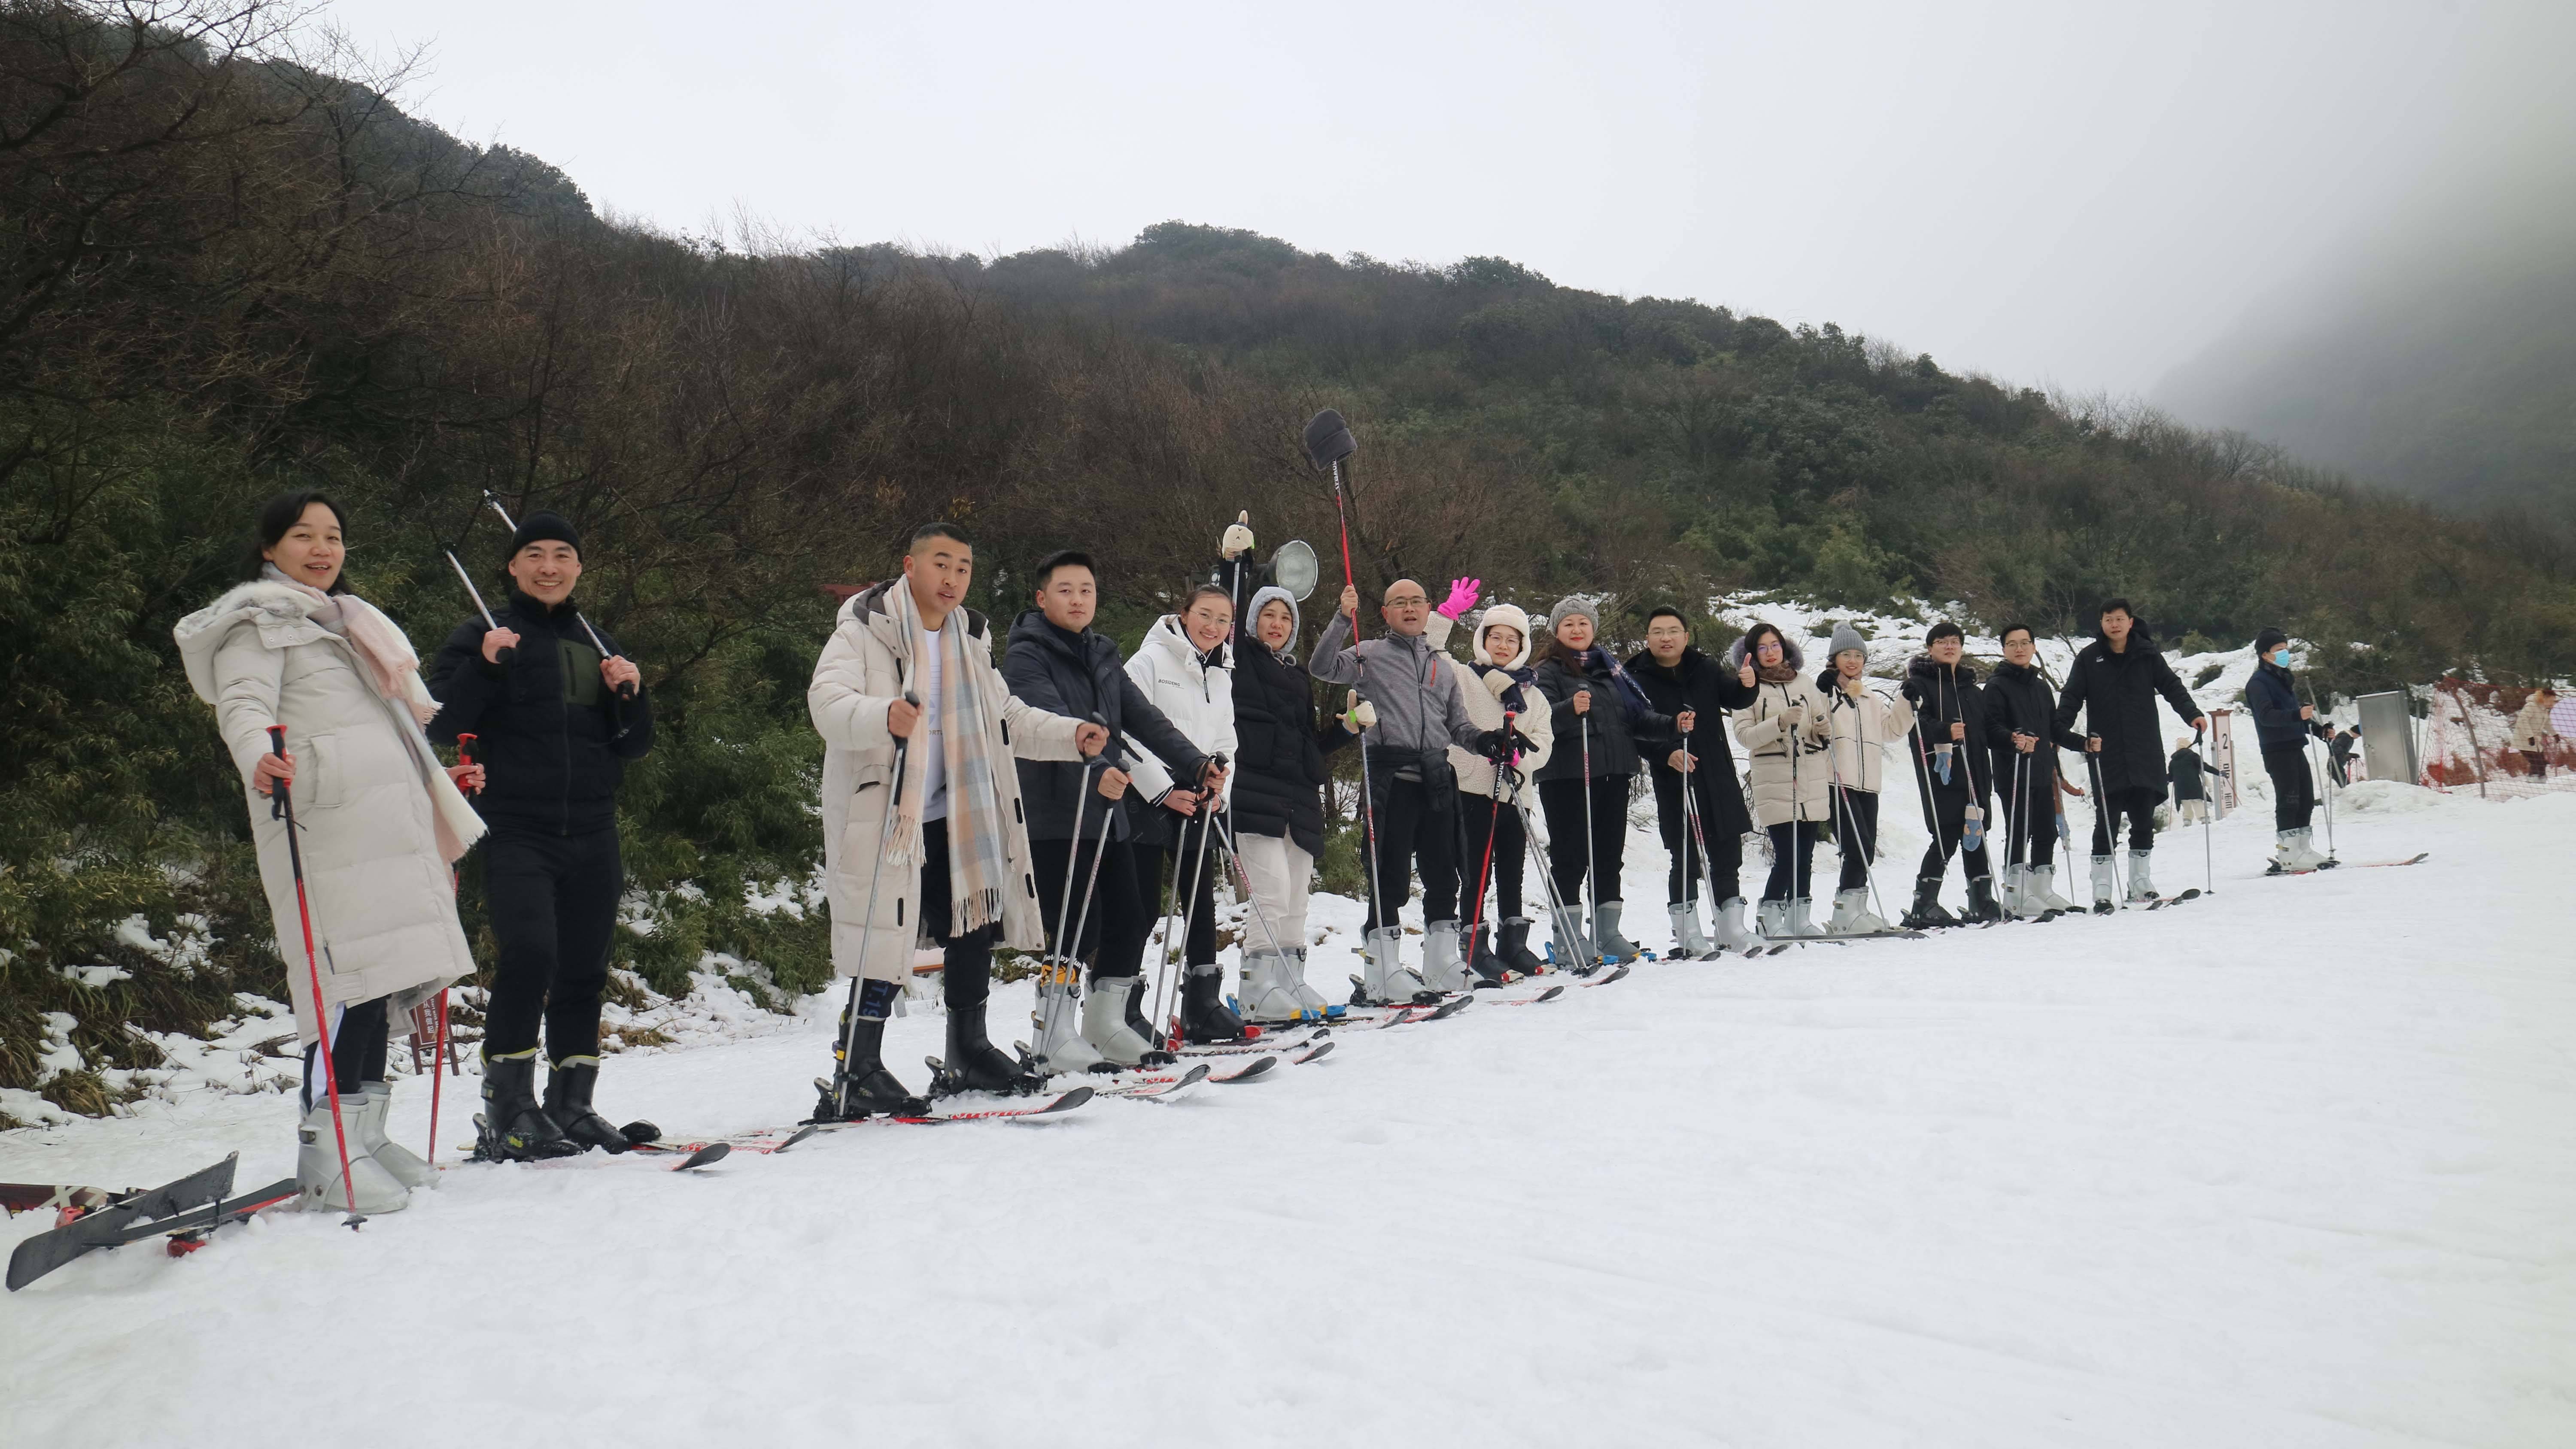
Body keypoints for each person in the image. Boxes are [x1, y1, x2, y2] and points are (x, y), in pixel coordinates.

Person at [174, 491, 484, 1213]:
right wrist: (257, 755)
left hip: (382, 830)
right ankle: (327, 1152)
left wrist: (435, 775)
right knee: (340, 985)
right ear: (268, 550)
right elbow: (243, 705)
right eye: (303, 536)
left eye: (334, 536)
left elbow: (386, 725)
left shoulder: (344, 624)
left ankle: (365, 1136)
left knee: (381, 979)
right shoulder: (261, 625)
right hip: (326, 826)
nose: (322, 548)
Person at [808, 524, 1108, 1113]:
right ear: (910, 566)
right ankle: (859, 1064)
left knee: (973, 929)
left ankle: (967, 1050)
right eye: (941, 564)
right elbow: (826, 701)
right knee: (883, 940)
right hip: (890, 814)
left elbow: (1010, 718)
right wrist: (880, 715)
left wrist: (1071, 735)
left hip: (958, 811)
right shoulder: (865, 628)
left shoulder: (969, 639)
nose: (952, 579)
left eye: (964, 568)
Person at [425, 510, 655, 1159]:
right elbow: (440, 723)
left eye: (562, 555)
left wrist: (633, 695)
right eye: (535, 555)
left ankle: (571, 1104)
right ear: (513, 567)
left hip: (593, 826)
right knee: (530, 955)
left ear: (579, 568)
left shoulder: (597, 641)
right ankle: (507, 1111)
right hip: (516, 826)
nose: (549, 567)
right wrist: (489, 668)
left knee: (585, 967)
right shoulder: (483, 633)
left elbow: (633, 747)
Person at [1002, 550, 1221, 1069]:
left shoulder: (1102, 652)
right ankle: (1053, 1032)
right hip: (1056, 808)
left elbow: (1144, 719)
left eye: (1087, 590)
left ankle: (1106, 1025)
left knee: (1132, 915)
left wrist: (1195, 765)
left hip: (1110, 811)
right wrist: (1097, 767)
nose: (1078, 600)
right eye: (1066, 590)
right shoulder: (1026, 656)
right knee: (1078, 922)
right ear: (1041, 598)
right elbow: (1050, 720)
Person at [1311, 578, 1517, 1000]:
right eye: (1398, 603)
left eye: (1417, 602)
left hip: (1437, 780)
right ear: (1385, 613)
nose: (1409, 608)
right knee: (1389, 876)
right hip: (1392, 780)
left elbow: (1458, 726)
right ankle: (1381, 971)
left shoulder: (1440, 664)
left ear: (1427, 610)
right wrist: (1340, 616)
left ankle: (1441, 964)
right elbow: (1323, 666)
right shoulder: (1370, 654)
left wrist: (1487, 742)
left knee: (1445, 875)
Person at [1212, 528, 1354, 1023]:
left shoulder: (1296, 675)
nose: (1276, 623)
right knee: (1269, 895)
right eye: (1267, 615)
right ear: (1253, 622)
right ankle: (1256, 992)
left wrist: (1346, 730)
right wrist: (1236, 563)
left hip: (1298, 800)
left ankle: (1290, 983)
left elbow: (1309, 745)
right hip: (1254, 795)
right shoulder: (1240, 660)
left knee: (1295, 900)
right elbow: (1226, 611)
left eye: (1285, 617)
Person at [1123, 583, 1248, 1044]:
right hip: (1148, 799)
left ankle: (1202, 1005)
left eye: (1223, 620)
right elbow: (1126, 730)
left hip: (1200, 799)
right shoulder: (1150, 660)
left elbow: (1226, 740)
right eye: (1205, 615)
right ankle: (1121, 1008)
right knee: (1141, 909)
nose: (1213, 627)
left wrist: (1221, 789)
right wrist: (1161, 789)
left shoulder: (1221, 672)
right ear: (1184, 613)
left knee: (1200, 906)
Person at [1531, 597, 1680, 966]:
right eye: (1569, 625)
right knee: (1571, 857)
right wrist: (1570, 709)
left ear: (1594, 629)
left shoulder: (1611, 672)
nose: (1577, 630)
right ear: (1557, 631)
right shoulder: (1546, 672)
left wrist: (1672, 724)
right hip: (1568, 776)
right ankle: (1568, 936)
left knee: (1607, 857)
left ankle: (1606, 931)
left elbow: (1637, 717)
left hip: (1614, 774)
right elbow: (1538, 719)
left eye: (1583, 623)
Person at [1425, 594, 1557, 983]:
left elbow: (1544, 743)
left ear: (1522, 646)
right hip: (1470, 787)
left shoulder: (1534, 694)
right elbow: (1431, 653)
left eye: (1511, 640)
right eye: (1495, 637)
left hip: (1515, 793)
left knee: (1512, 869)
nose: (1502, 645)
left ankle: (1512, 942)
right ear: (1483, 639)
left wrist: (1522, 761)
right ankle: (1473, 941)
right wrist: (1444, 616)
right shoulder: (1464, 676)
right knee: (1474, 869)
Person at [2052, 600, 2209, 908]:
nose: (2115, 624)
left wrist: (2192, 714)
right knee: (2106, 820)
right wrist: (2059, 730)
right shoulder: (2089, 658)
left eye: (2120, 619)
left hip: (2143, 747)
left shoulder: (2147, 654)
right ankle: (2101, 886)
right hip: (2106, 750)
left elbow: (2172, 686)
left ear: (2130, 622)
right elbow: (2071, 697)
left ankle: (2140, 882)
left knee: (2143, 816)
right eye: (2109, 619)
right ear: (2102, 623)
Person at [1628, 606, 1759, 955]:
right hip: (1675, 777)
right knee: (1685, 855)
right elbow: (1633, 731)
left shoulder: (1704, 667)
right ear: (1648, 638)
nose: (1666, 638)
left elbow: (1735, 696)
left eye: (1674, 631)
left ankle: (1732, 928)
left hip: (1716, 771)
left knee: (1728, 850)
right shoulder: (1634, 676)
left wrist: (1748, 684)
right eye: (1658, 631)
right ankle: (1688, 933)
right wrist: (1665, 754)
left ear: (1686, 637)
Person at [1729, 621, 1831, 938]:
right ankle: (1769, 912)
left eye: (1775, 646)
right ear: (1752, 653)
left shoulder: (1805, 682)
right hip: (1774, 779)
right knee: (1788, 854)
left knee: (1806, 854)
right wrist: (1779, 722)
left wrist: (1823, 731)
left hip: (1811, 777)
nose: (1770, 653)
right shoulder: (1747, 686)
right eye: (1762, 648)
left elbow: (1819, 722)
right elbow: (1745, 736)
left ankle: (1799, 916)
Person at [1899, 622, 2001, 926]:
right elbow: (1917, 727)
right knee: (1946, 835)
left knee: (1976, 833)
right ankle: (1925, 903)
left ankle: (1981, 899)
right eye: (1941, 641)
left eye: (1955, 641)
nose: (1949, 646)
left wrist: (2011, 739)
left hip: (1977, 771)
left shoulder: (1972, 690)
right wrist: (1945, 731)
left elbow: (1988, 731)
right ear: (1930, 649)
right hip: (1942, 774)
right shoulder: (1919, 685)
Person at [1814, 622, 1910, 934]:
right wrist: (1823, 691)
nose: (1853, 661)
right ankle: (1845, 912)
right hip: (1836, 781)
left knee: (1866, 850)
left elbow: (1892, 731)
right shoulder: (1825, 689)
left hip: (1868, 784)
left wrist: (1907, 700)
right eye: (1846, 655)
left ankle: (1855, 908)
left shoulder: (1869, 698)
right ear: (1834, 658)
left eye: (1858, 655)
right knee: (1856, 847)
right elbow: (1813, 722)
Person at [1983, 624, 2083, 915]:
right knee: (2019, 831)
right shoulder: (1996, 686)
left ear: (2034, 647)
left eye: (2025, 643)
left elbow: (2054, 730)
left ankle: (2042, 889)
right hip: (2012, 772)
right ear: (2004, 650)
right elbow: (1990, 729)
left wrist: (2083, 743)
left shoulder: (2040, 688)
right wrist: (2013, 740)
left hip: (2040, 770)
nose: (2019, 648)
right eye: (2012, 644)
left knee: (2046, 832)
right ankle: (2015, 892)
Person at [2245, 628, 2332, 872]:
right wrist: (2297, 714)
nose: (2285, 654)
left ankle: (2302, 848)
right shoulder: (2258, 683)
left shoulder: (2283, 679)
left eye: (2286, 648)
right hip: (2276, 749)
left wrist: (2318, 730)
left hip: (2295, 745)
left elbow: (2297, 718)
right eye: (2279, 650)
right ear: (2265, 655)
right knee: (2289, 799)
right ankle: (2288, 853)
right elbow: (2266, 717)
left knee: (2305, 798)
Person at [2168, 735, 2221, 825]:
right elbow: (2204, 767)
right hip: (2194, 786)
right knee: (2197, 802)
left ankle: (2187, 821)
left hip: (2180, 790)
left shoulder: (2173, 762)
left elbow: (2171, 777)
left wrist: (2162, 780)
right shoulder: (2192, 756)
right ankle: (2204, 819)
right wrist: (2219, 773)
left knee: (2186, 804)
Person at [2514, 686, 2558, 781]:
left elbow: (2547, 723)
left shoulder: (2544, 710)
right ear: (2544, 698)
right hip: (2524, 740)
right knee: (2536, 762)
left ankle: (2542, 781)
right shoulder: (2531, 706)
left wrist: (2555, 734)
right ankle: (2533, 782)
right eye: (2551, 701)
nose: (2553, 704)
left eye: (2554, 701)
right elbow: (2522, 721)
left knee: (2542, 762)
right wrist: (2530, 737)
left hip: (2536, 741)